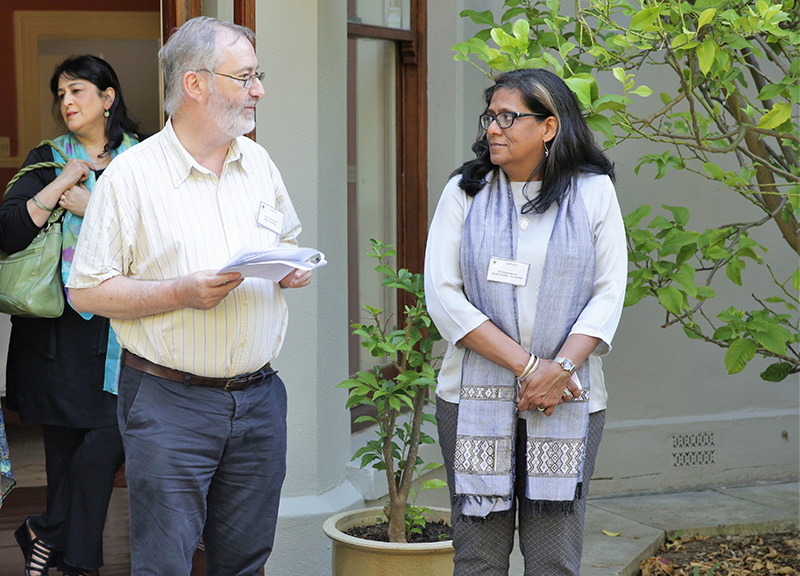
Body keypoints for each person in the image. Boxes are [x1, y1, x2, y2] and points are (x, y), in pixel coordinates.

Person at [67, 17, 312, 576]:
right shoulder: (130, 176)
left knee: (247, 561)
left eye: (258, 75)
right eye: (246, 76)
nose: (259, 90)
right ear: (196, 83)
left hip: (259, 399)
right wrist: (180, 292)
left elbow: (287, 240)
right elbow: (86, 289)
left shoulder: (259, 163)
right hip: (167, 401)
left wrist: (288, 269)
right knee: (164, 564)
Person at [424, 68, 627, 575]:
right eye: (490, 116)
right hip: (472, 397)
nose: (493, 128)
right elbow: (444, 297)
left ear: (550, 127)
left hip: (568, 397)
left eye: (508, 117)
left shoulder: (593, 192)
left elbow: (609, 294)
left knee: (553, 557)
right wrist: (531, 368)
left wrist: (558, 371)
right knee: (478, 555)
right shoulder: (464, 192)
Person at [0, 55, 142, 576]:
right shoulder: (46, 158)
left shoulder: (144, 159)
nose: (66, 102)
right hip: (57, 334)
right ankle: (78, 564)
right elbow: (9, 230)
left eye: (77, 90)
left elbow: (165, 237)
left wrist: (94, 204)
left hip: (122, 330)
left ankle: (47, 530)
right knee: (63, 457)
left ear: (107, 98)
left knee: (110, 439)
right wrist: (61, 186)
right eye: (60, 94)